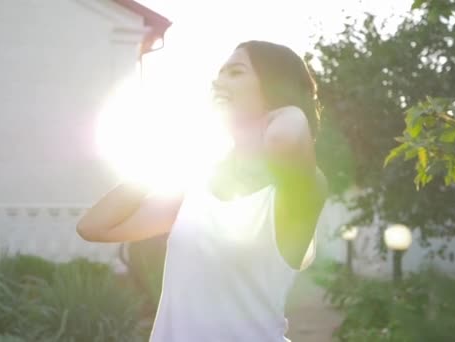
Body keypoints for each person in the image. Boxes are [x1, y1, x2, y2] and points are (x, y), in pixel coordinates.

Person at [77, 40, 328, 342]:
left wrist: (270, 112)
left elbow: (288, 132)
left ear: (276, 86)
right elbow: (93, 226)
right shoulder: (194, 188)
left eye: (235, 73)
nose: (218, 82)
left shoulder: (299, 189)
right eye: (219, 74)